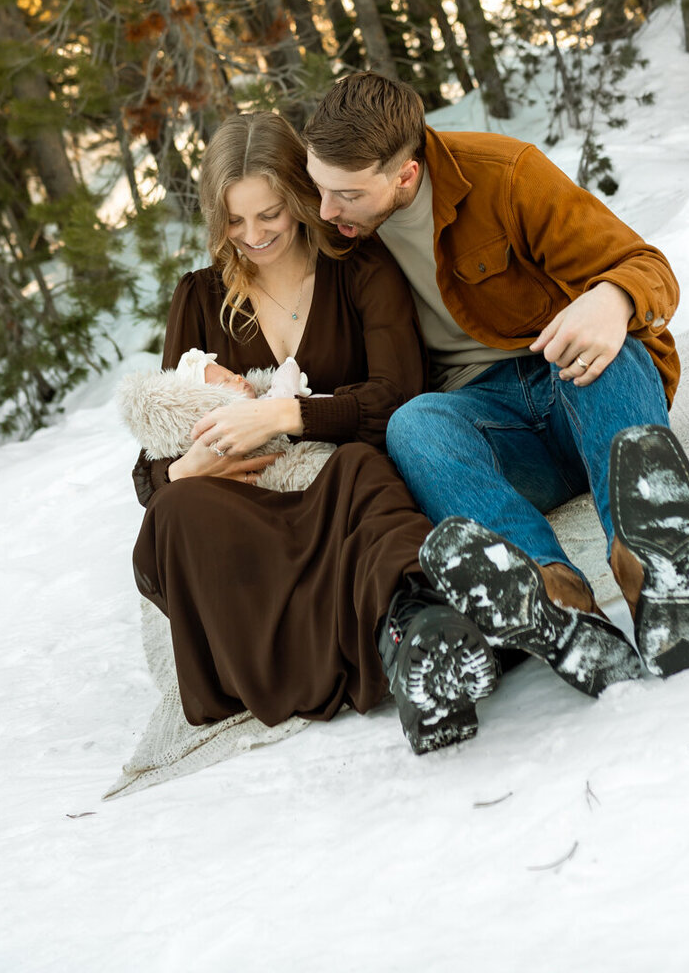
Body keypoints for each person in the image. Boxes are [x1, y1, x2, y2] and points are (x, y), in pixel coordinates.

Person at [303, 73, 689, 701]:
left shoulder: (505, 174)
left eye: (346, 195)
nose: (327, 210)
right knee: (413, 425)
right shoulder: (337, 229)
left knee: (614, 355)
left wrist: (612, 298)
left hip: (576, 388)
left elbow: (649, 267)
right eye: (319, 187)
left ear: (405, 176)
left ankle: (644, 565)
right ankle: (556, 596)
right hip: (493, 423)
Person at [129, 111, 499, 754]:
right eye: (234, 220)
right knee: (179, 510)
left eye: (268, 213)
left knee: (361, 471)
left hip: (340, 486)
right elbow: (156, 445)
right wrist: (184, 472)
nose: (253, 235)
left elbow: (398, 394)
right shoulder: (197, 298)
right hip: (241, 502)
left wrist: (285, 415)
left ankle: (416, 643)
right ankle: (273, 656)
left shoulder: (360, 269)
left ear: (301, 197)